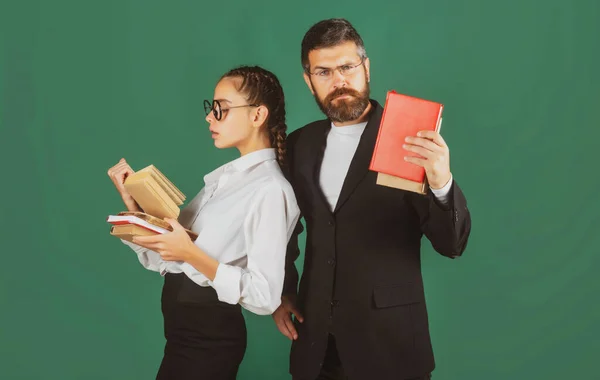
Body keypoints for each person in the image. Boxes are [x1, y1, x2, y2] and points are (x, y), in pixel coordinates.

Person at [271, 18, 472, 380]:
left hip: (390, 346)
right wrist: (282, 291)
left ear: (366, 67)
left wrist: (441, 181)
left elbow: (452, 243)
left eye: (347, 67)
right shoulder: (300, 144)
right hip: (316, 345)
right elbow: (284, 227)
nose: (339, 81)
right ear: (308, 80)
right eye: (324, 72)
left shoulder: (409, 138)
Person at [107, 65, 300, 380]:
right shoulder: (223, 180)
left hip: (209, 341)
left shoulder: (270, 189)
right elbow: (165, 260)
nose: (210, 117)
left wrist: (190, 253)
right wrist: (134, 206)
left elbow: (265, 296)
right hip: (181, 335)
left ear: (257, 115)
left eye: (221, 109)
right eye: (211, 108)